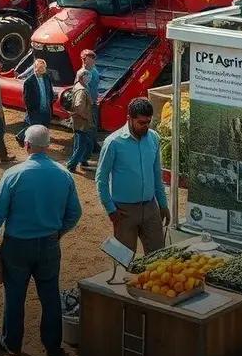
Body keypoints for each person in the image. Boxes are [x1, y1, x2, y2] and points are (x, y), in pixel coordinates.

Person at [0, 125, 82, 356]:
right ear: (47, 147)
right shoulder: (63, 174)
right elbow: (75, 213)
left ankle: (13, 344)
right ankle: (51, 348)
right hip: (49, 243)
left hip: (17, 244)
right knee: (49, 296)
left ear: (27, 145)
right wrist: (58, 232)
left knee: (15, 295)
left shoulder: (13, 174)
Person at [95, 97, 170, 254]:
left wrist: (162, 204)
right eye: (141, 123)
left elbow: (157, 175)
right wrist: (111, 210)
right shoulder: (113, 143)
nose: (146, 127)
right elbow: (101, 180)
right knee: (124, 261)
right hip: (123, 212)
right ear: (129, 119)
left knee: (158, 258)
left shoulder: (154, 138)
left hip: (150, 208)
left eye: (148, 122)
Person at [16, 59, 54, 146]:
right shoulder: (29, 82)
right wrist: (30, 110)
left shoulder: (47, 77)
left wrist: (51, 101)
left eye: (44, 67)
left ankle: (41, 143)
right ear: (35, 68)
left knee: (43, 127)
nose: (42, 69)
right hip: (35, 109)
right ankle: (23, 138)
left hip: (46, 108)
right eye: (40, 67)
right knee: (33, 127)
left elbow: (50, 91)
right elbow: (26, 98)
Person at [66, 68, 96, 174]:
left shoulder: (79, 86)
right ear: (82, 78)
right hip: (82, 123)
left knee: (82, 144)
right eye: (87, 76)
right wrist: (86, 117)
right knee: (82, 145)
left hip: (79, 122)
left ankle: (83, 161)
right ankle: (71, 165)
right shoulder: (82, 91)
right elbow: (79, 106)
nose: (89, 78)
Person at [81, 49, 101, 165]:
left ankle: (93, 145)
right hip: (89, 103)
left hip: (92, 101)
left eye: (86, 59)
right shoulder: (85, 72)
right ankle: (90, 148)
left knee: (92, 125)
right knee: (90, 126)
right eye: (84, 59)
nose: (84, 61)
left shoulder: (91, 71)